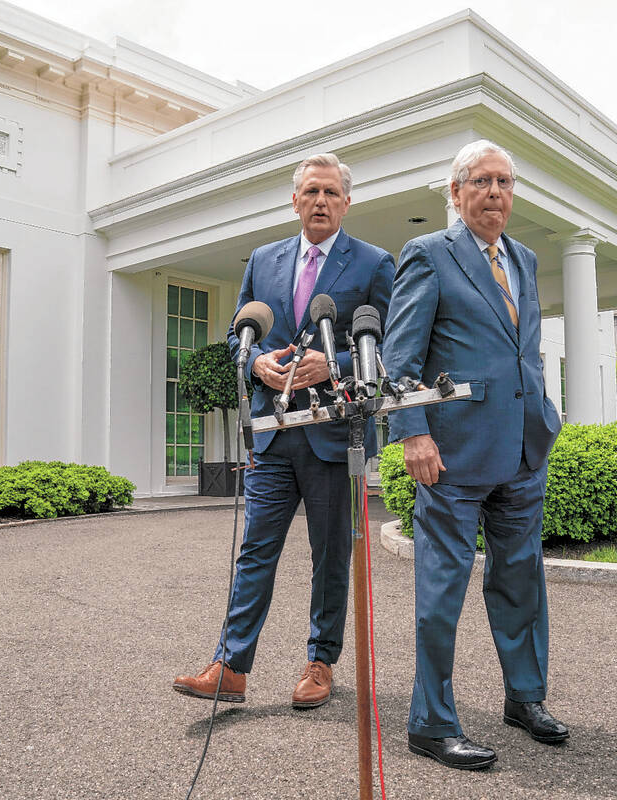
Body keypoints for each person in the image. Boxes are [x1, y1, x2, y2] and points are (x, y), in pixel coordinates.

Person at [172, 153, 394, 709]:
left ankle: (321, 662)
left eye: (331, 193)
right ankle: (231, 667)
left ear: (347, 202)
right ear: (294, 201)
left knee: (329, 554)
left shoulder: (372, 263)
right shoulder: (263, 261)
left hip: (330, 434)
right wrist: (254, 365)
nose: (320, 201)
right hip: (272, 432)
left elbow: (390, 340)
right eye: (310, 192)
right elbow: (235, 335)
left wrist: (336, 361)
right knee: (255, 550)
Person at [381, 140, 566, 770]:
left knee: (521, 583)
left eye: (505, 182)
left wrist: (542, 413)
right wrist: (413, 431)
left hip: (522, 448)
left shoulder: (527, 259)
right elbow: (399, 360)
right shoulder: (429, 255)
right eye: (481, 182)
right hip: (451, 454)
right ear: (455, 194)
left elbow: (525, 350)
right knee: (442, 589)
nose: (495, 193)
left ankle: (525, 697)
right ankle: (431, 723)